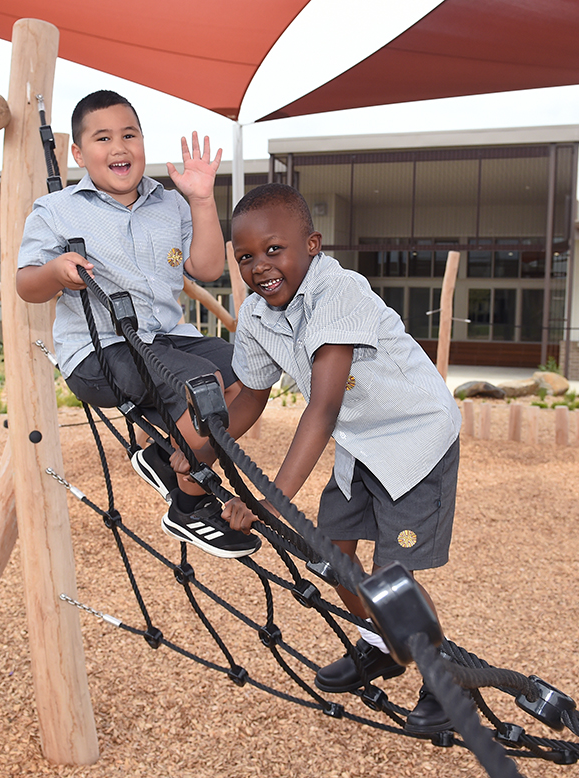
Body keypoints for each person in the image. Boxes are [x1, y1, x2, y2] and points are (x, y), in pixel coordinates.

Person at [196, 182, 462, 735]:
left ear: (311, 245)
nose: (259, 267)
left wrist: (268, 502)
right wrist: (193, 449)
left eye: (274, 250)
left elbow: (320, 408)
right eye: (245, 257)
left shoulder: (338, 294)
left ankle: (445, 681)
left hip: (413, 440)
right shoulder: (259, 315)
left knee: (393, 572)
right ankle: (381, 645)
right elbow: (248, 396)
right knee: (332, 549)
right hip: (359, 444)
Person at [15, 89, 259, 559]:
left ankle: (168, 456)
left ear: (143, 142)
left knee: (250, 371)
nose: (119, 147)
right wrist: (56, 271)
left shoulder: (169, 204)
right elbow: (27, 285)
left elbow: (206, 268)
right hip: (101, 351)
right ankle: (188, 504)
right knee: (202, 385)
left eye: (129, 134)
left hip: (165, 339)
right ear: (78, 153)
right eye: (103, 138)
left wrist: (202, 199)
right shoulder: (58, 211)